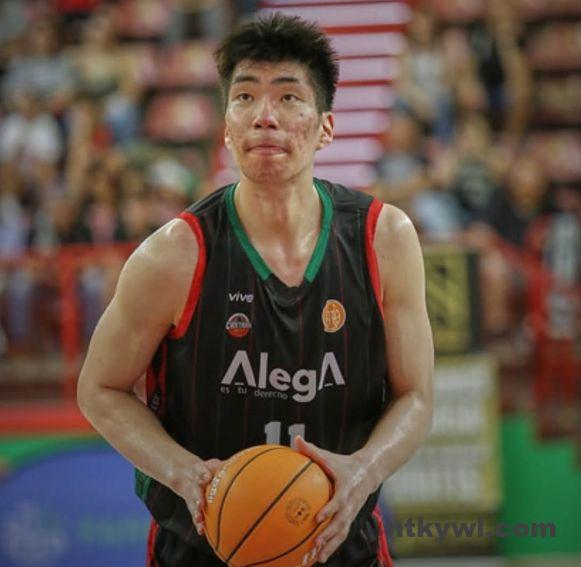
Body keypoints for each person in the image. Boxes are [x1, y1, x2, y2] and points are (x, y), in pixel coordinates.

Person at [77, 13, 434, 567]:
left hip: (341, 544)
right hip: (200, 547)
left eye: (289, 97)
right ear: (226, 127)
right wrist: (183, 473)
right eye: (244, 97)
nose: (265, 116)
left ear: (326, 128)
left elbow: (415, 396)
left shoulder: (384, 239)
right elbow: (99, 388)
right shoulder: (173, 254)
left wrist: (364, 470)